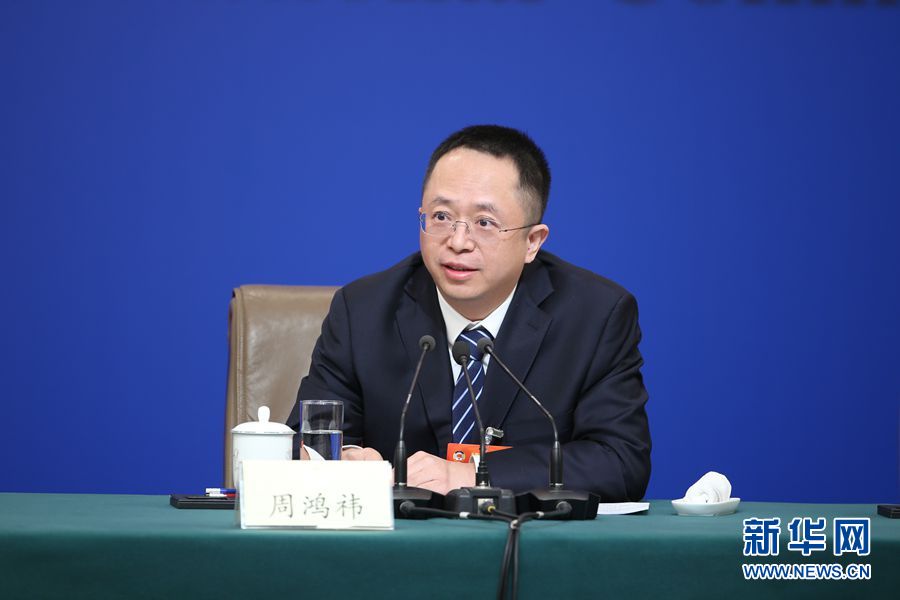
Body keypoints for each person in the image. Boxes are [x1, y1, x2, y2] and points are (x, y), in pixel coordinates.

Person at [287, 125, 651, 502]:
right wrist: (341, 459)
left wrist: (472, 474)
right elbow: (304, 440)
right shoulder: (362, 310)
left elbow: (620, 461)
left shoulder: (595, 316)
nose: (458, 242)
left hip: (526, 536)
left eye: (484, 223)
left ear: (532, 241)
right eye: (441, 217)